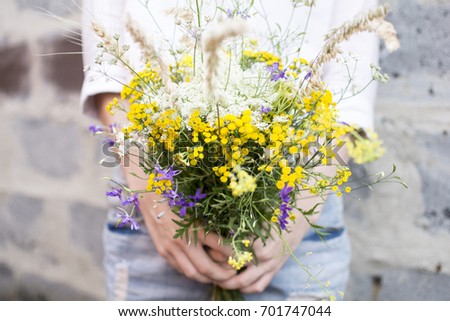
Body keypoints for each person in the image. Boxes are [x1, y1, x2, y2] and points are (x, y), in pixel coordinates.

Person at [81, 0, 379, 300]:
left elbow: (350, 95)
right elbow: (106, 72)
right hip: (156, 218)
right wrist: (152, 195)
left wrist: (296, 214)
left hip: (296, 216)